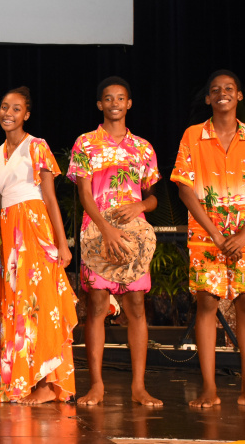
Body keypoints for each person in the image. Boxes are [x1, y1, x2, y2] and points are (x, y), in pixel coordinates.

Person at [171, 69, 245, 410]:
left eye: (229, 88)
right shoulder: (193, 135)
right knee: (207, 303)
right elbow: (184, 188)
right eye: (215, 89)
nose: (222, 93)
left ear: (238, 96)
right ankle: (209, 387)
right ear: (208, 98)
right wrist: (215, 232)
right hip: (207, 236)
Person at [67, 76, 163, 406]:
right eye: (108, 98)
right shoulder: (85, 144)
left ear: (129, 103)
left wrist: (140, 205)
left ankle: (138, 387)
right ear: (100, 104)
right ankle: (96, 385)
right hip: (97, 234)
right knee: (95, 306)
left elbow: (153, 199)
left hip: (134, 238)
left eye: (121, 98)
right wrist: (106, 229)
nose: (115, 103)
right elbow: (83, 192)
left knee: (137, 307)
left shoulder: (143, 147)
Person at [0, 86, 77, 404]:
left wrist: (63, 244)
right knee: (15, 304)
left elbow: (51, 198)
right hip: (9, 233)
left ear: (26, 114)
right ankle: (22, 381)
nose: (8, 113)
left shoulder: (36, 146)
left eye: (15, 109)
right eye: (3, 106)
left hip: (34, 228)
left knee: (40, 304)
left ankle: (48, 386)